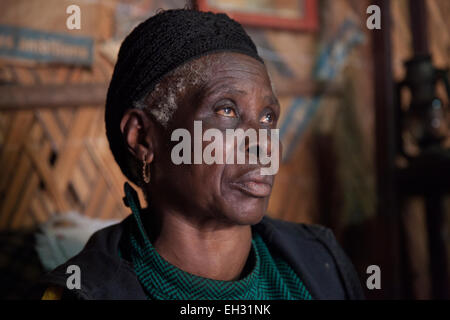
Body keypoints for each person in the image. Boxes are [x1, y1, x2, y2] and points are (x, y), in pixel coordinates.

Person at [37, 9, 364, 300]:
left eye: (268, 117)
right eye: (226, 110)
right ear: (143, 138)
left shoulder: (320, 264)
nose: (263, 143)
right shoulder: (85, 292)